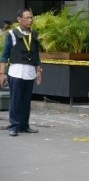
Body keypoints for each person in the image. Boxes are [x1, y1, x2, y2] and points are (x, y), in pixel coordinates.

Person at [0, 9, 42, 137]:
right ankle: (14, 126)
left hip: (29, 71)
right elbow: (4, 55)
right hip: (16, 71)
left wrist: (38, 70)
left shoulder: (34, 34)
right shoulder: (12, 34)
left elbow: (36, 54)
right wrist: (2, 73)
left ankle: (24, 125)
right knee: (15, 100)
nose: (30, 20)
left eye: (31, 18)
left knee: (26, 100)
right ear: (19, 19)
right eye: (27, 18)